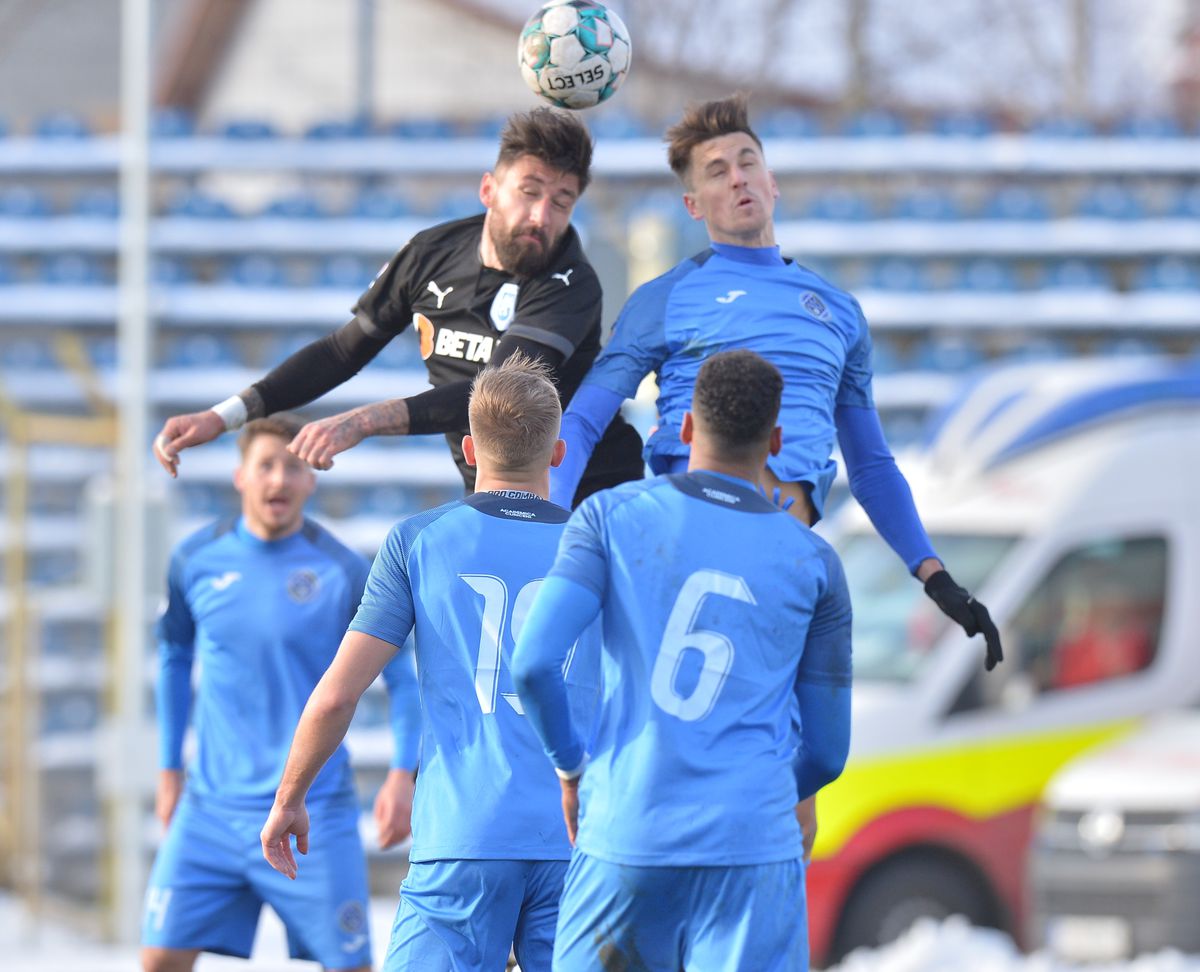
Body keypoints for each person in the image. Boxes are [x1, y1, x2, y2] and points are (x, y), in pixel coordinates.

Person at [548, 93, 1001, 672]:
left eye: (748, 162)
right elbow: (583, 421)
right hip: (682, 552)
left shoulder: (839, 313)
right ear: (693, 205)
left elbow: (871, 466)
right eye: (717, 171)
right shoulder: (664, 299)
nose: (738, 178)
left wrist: (933, 574)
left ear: (772, 182)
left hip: (786, 565)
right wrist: (549, 524)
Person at [512, 349, 853, 971]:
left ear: (687, 428)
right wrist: (764, 796)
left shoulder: (610, 517)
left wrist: (572, 772)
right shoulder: (815, 562)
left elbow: (533, 664)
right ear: (775, 442)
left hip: (628, 828)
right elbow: (828, 753)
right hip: (751, 847)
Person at [261, 354, 597, 972]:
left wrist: (290, 797)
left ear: (469, 448)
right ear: (557, 453)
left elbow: (337, 696)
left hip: (463, 838)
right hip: (581, 840)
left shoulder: (419, 540)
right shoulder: (600, 545)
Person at [152, 107, 643, 506]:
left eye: (561, 202)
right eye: (529, 192)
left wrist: (361, 422)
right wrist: (224, 416)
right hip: (493, 494)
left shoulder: (570, 283)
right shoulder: (431, 254)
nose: (540, 215)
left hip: (591, 493)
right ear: (489, 190)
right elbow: (341, 351)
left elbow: (496, 394)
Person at [142, 415, 420, 972]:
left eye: (292, 467)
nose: (279, 479)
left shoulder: (342, 570)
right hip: (210, 809)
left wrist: (402, 774)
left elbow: (402, 679)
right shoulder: (196, 559)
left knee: (351, 966)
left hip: (314, 812)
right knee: (158, 960)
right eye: (265, 465)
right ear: (241, 476)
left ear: (311, 478)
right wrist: (169, 770)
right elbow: (174, 658)